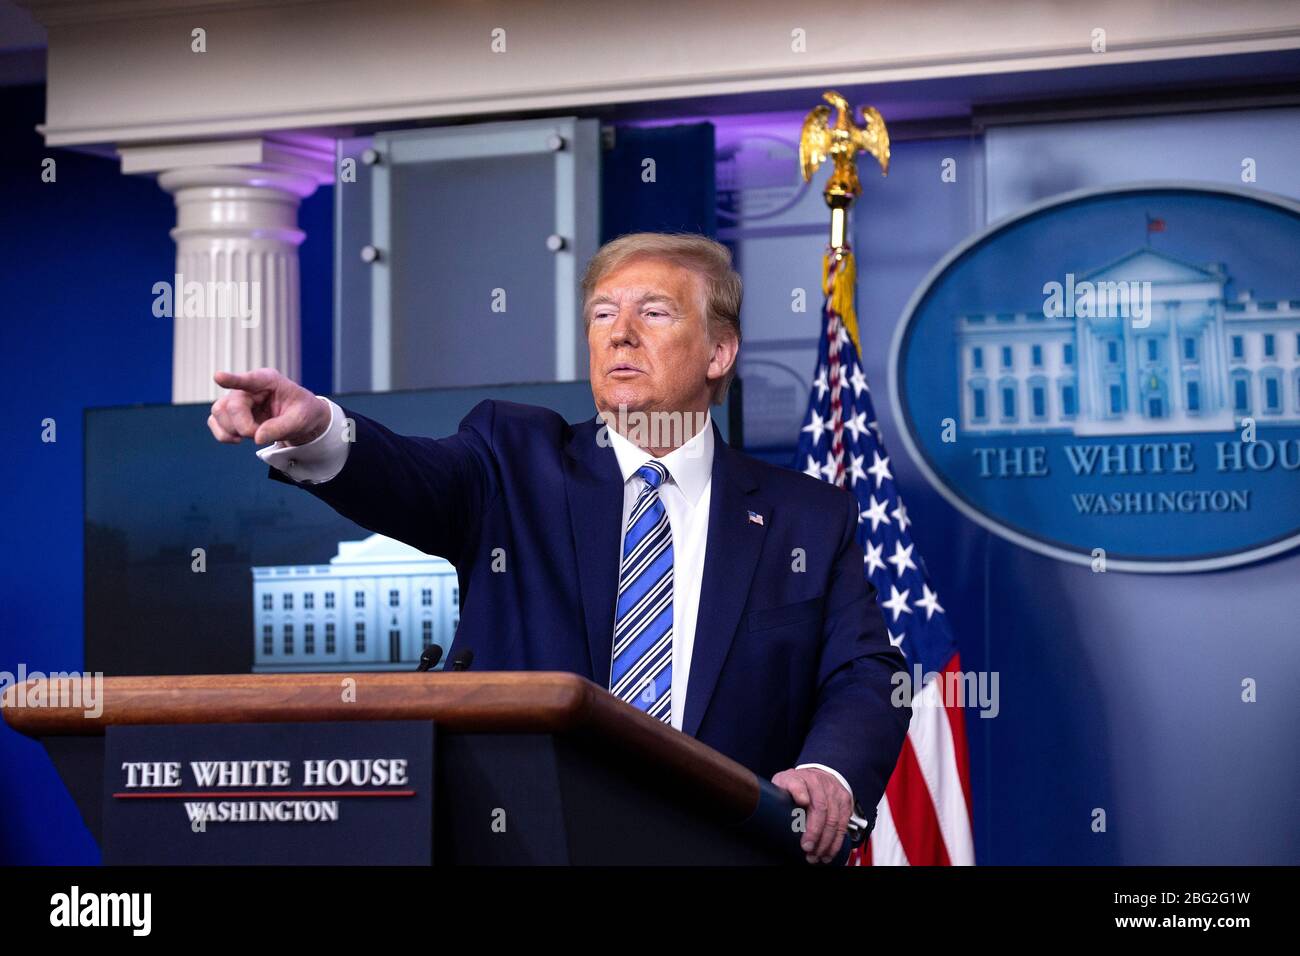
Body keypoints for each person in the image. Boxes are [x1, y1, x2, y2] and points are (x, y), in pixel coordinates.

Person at [208, 232, 909, 864]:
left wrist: (831, 772)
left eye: (655, 312)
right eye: (603, 315)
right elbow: (407, 479)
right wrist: (316, 430)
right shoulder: (514, 459)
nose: (620, 335)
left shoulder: (807, 518)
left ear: (719, 351)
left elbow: (866, 672)